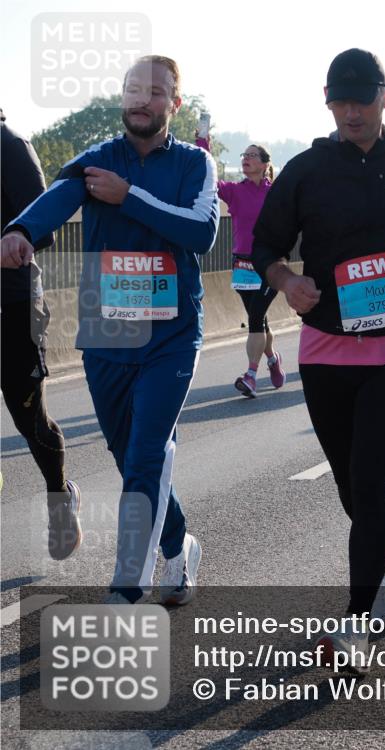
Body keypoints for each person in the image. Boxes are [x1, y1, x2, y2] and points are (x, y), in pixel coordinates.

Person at [251, 48, 385, 673]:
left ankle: (356, 628)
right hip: (325, 347)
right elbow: (263, 244)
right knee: (350, 486)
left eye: (361, 99)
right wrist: (287, 279)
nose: (350, 112)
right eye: (338, 101)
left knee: (370, 482)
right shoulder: (306, 170)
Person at [1, 55, 218, 605]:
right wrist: (21, 230)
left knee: (147, 454)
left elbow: (201, 232)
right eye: (132, 90)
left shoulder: (194, 164)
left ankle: (127, 590)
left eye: (156, 92)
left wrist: (130, 198)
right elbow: (57, 198)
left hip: (170, 335)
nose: (142, 100)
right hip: (108, 335)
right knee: (130, 456)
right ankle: (177, 546)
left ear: (174, 102)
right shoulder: (97, 161)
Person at [0, 111, 81, 560]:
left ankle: (59, 494)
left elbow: (44, 226)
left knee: (28, 420)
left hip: (13, 305)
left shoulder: (10, 145)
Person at [206, 141, 285, 397]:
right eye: (244, 155)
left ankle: (251, 375)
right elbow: (206, 180)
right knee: (258, 319)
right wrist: (202, 144)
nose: (246, 158)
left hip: (270, 265)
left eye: (252, 155)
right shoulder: (233, 191)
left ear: (264, 164)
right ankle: (273, 359)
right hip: (241, 264)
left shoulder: (276, 192)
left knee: (254, 319)